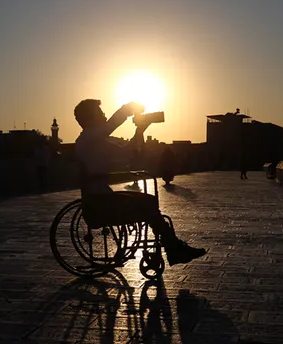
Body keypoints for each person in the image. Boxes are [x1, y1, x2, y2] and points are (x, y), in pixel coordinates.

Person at [74, 99, 207, 266]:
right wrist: (127, 108)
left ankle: (173, 247)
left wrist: (140, 129)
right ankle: (174, 248)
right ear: (90, 118)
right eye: (100, 113)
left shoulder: (96, 142)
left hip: (103, 198)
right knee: (147, 203)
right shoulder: (87, 138)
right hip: (100, 202)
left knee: (147, 202)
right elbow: (110, 126)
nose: (104, 116)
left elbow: (127, 153)